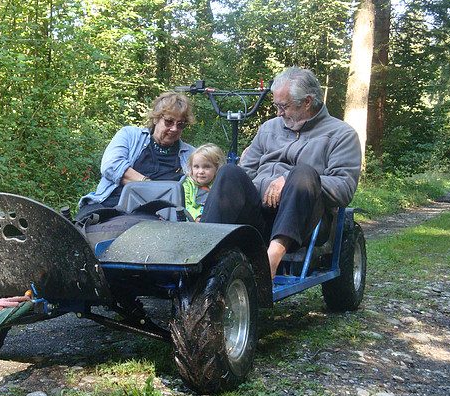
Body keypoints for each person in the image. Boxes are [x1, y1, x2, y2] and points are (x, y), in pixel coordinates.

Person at [200, 67, 362, 279]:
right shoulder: (269, 128)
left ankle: (271, 260)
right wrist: (269, 184)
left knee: (303, 174)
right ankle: (203, 255)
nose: (279, 113)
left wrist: (289, 182)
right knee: (229, 172)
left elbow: (344, 188)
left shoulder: (341, 134)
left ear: (307, 102)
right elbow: (246, 172)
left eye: (283, 106)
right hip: (260, 216)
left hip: (306, 223)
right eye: (276, 106)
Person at [77, 91, 196, 219]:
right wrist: (149, 185)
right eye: (169, 121)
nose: (174, 129)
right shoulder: (129, 135)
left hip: (159, 219)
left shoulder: (191, 155)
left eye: (181, 124)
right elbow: (111, 165)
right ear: (156, 118)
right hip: (109, 206)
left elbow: (205, 187)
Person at [182, 143, 226, 221]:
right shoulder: (187, 184)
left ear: (217, 168)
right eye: (196, 167)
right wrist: (196, 217)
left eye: (206, 167)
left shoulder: (219, 185)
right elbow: (186, 205)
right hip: (192, 221)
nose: (201, 171)